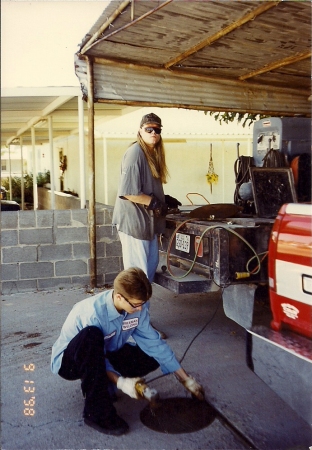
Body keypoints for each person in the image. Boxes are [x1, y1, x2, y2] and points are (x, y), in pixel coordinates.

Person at [51, 267, 204, 436]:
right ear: (119, 297)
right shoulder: (93, 313)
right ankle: (96, 413)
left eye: (143, 304)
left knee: (151, 356)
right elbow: (97, 356)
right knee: (92, 336)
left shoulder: (137, 309)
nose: (140, 309)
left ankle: (104, 383)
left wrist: (185, 379)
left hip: (103, 353)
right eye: (136, 304)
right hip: (71, 362)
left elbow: (154, 343)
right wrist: (122, 382)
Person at [112, 112, 181, 337]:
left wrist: (163, 199)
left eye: (157, 130)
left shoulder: (151, 153)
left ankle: (138, 324)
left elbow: (146, 188)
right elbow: (129, 192)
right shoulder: (135, 153)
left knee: (146, 276)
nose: (153, 133)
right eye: (149, 129)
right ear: (140, 131)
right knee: (136, 280)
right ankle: (136, 329)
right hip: (135, 225)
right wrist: (154, 203)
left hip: (147, 226)